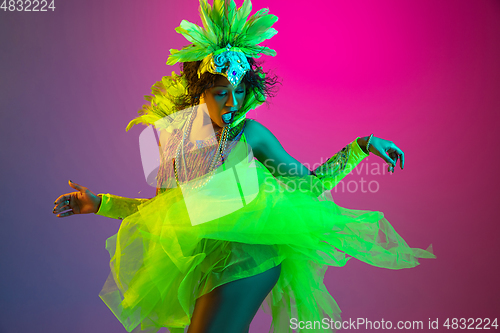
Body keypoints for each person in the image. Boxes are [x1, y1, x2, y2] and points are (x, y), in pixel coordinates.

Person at [53, 1, 435, 332]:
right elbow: (162, 215)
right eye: (221, 93)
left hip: (251, 253)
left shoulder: (252, 134)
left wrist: (360, 146)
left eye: (239, 92)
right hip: (206, 258)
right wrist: (99, 203)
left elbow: (309, 186)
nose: (232, 102)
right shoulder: (176, 139)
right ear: (199, 92)